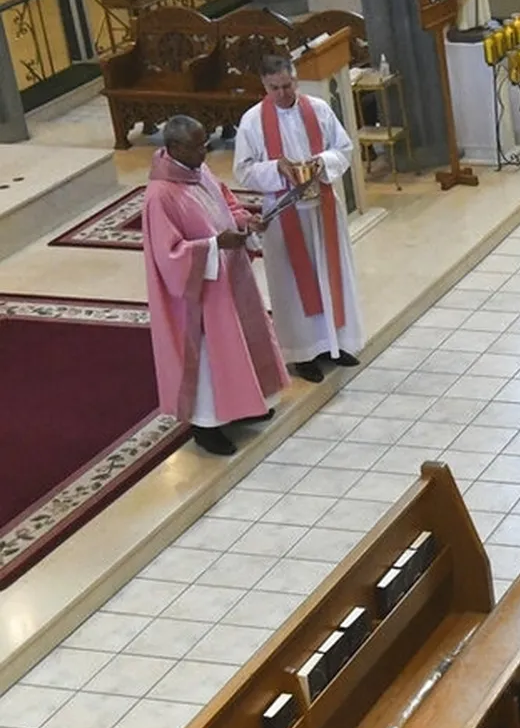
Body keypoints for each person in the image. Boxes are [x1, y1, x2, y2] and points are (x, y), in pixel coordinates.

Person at [143, 115, 290, 457]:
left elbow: (226, 204)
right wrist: (214, 245)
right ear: (174, 147)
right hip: (198, 295)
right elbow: (169, 255)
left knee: (238, 345)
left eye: (205, 143)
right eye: (197, 146)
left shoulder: (198, 170)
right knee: (211, 358)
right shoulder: (160, 195)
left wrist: (244, 221)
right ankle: (206, 426)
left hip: (228, 277)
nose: (205, 152)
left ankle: (244, 406)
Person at [234, 55, 364, 385]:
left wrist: (321, 162)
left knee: (329, 274)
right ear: (264, 86)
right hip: (283, 214)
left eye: (287, 85)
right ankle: (303, 353)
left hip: (322, 208)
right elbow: (243, 170)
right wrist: (276, 168)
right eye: (274, 88)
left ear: (296, 79)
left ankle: (334, 344)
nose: (282, 93)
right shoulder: (252, 121)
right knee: (292, 286)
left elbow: (344, 149)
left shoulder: (318, 109)